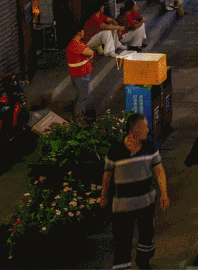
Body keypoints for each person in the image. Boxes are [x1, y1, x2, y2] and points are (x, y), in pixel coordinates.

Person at [100, 113, 169, 270]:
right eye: (144, 127)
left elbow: (159, 170)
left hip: (146, 202)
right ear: (133, 131)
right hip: (123, 206)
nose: (147, 130)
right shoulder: (115, 152)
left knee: (147, 234)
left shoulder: (150, 146)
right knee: (122, 239)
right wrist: (103, 196)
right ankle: (123, 266)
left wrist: (164, 193)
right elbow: (107, 175)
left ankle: (143, 261)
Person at [66, 26, 95, 117]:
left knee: (82, 94)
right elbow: (89, 53)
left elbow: (89, 52)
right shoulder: (74, 44)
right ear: (79, 32)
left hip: (83, 72)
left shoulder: (79, 42)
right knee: (82, 95)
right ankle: (79, 117)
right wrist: (90, 54)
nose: (84, 32)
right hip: (80, 73)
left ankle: (81, 113)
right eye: (83, 30)